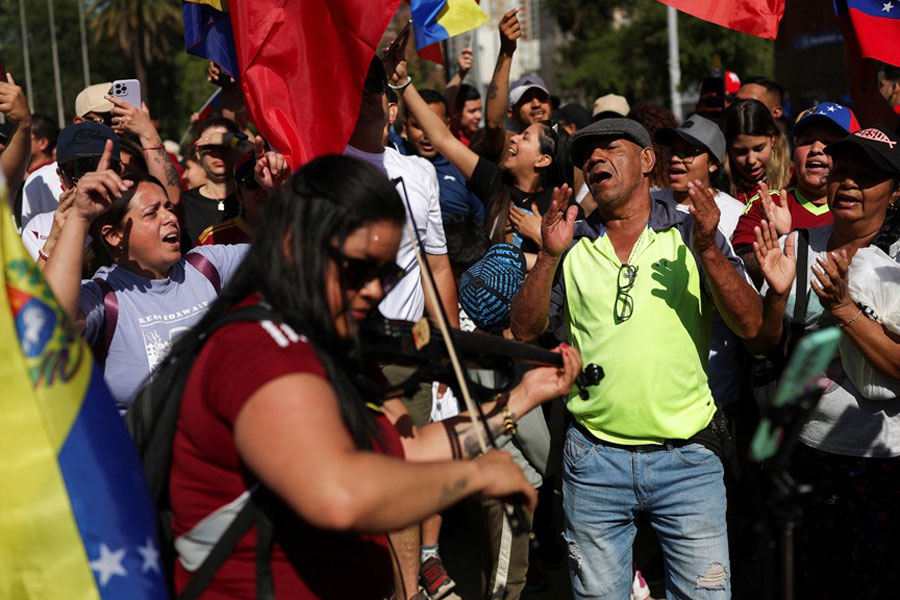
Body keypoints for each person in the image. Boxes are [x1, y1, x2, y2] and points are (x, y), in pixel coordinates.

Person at [168, 154, 583, 599]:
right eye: (358, 268)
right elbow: (340, 497)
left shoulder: (337, 342)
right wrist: (468, 480)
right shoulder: (259, 348)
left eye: (385, 273)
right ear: (300, 246)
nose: (373, 290)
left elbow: (408, 450)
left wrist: (520, 397)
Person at [509, 117, 763, 598]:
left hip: (688, 459)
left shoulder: (694, 232)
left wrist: (709, 250)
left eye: (612, 148)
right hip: (593, 462)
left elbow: (751, 325)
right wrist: (547, 255)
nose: (596, 159)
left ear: (648, 161)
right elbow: (525, 331)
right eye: (588, 155)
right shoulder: (573, 242)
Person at [748, 125, 900, 599]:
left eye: (868, 176)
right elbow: (763, 345)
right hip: (808, 453)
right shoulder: (800, 243)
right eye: (843, 172)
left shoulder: (895, 260)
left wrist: (844, 311)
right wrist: (775, 297)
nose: (849, 184)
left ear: (895, 195)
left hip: (882, 461)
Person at [41, 140, 261, 410]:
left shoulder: (208, 266)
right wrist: (80, 218)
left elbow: (290, 253)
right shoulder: (103, 297)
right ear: (114, 235)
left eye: (168, 208)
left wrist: (277, 191)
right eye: (151, 213)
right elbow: (50, 323)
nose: (170, 218)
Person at [383, 30, 575, 260]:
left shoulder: (566, 209)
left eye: (525, 138)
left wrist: (540, 236)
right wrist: (403, 82)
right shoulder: (496, 183)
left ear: (543, 159)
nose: (512, 138)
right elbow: (442, 138)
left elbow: (578, 268)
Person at [652, 115, 746, 408]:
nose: (676, 159)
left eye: (689, 152)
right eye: (673, 151)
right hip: (657, 378)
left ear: (714, 163)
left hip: (713, 378)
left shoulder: (735, 215)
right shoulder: (647, 204)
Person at [731, 102, 860, 279]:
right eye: (806, 142)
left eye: (829, 142)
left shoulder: (866, 207)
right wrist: (780, 240)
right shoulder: (767, 204)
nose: (816, 149)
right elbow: (737, 264)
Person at [400, 88, 484, 222]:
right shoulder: (391, 159)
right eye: (418, 126)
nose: (427, 134)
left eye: (434, 126)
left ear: (448, 124)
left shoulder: (463, 168)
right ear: (405, 126)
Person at [480, 9, 553, 160]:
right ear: (511, 113)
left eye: (541, 97)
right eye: (525, 100)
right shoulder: (509, 145)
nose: (536, 104)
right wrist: (506, 52)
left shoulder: (566, 143)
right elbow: (494, 124)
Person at [196, 139, 288, 245]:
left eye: (273, 177)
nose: (264, 187)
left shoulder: (299, 230)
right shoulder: (213, 239)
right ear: (239, 195)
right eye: (252, 182)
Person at [181, 117, 248, 247]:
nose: (218, 153)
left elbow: (259, 156)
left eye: (225, 145)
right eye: (210, 146)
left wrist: (233, 139)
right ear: (198, 154)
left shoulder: (252, 197)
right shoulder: (183, 204)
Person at [721, 98, 792, 204]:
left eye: (759, 149)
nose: (751, 160)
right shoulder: (719, 186)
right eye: (741, 152)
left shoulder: (794, 179)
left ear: (773, 139)